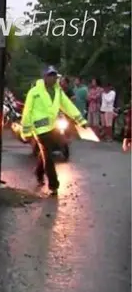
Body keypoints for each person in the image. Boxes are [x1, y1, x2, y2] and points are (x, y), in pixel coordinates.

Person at [21, 66, 87, 196]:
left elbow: (67, 105)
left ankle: (39, 173)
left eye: (54, 76)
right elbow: (27, 112)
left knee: (48, 151)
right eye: (50, 75)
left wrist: (81, 120)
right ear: (44, 77)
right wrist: (26, 132)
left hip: (52, 126)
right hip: (39, 129)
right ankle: (53, 185)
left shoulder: (58, 91)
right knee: (48, 155)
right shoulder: (34, 92)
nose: (53, 78)